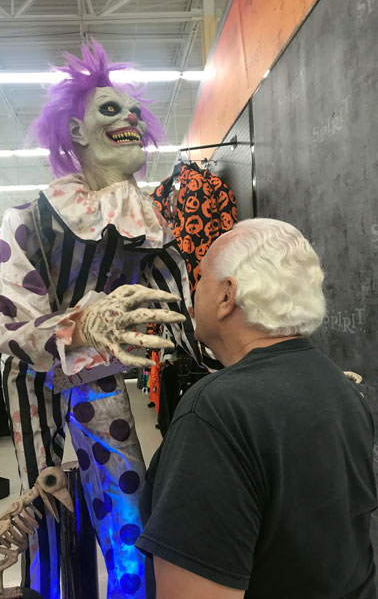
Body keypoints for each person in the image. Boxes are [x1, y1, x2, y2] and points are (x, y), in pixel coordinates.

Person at [0, 41, 202, 599]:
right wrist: (79, 326)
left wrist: (266, 362)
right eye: (111, 109)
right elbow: (6, 321)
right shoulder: (31, 217)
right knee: (46, 513)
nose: (131, 118)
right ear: (76, 131)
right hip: (35, 383)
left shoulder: (147, 224)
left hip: (99, 376)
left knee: (128, 511)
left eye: (134, 111)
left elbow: (183, 311)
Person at [136, 218, 377, 598]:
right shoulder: (341, 387)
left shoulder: (217, 411)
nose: (193, 291)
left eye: (200, 278)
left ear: (226, 296)